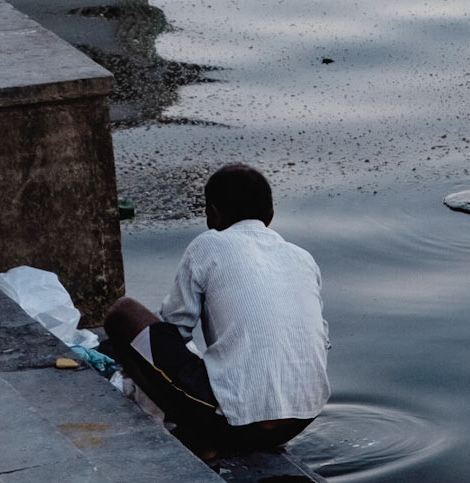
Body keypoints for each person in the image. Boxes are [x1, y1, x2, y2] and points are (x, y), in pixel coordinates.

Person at [103, 164, 329, 455]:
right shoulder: (303, 258)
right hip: (304, 415)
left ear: (213, 214)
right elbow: (320, 339)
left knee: (123, 314)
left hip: (236, 425)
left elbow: (174, 328)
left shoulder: (208, 244)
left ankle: (201, 436)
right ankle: (241, 425)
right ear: (270, 216)